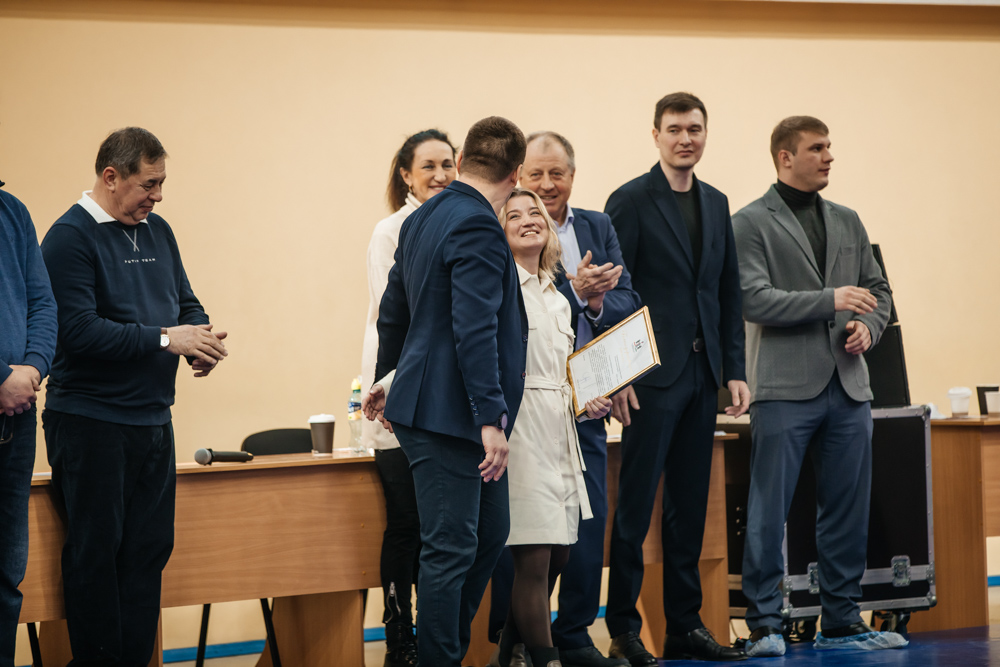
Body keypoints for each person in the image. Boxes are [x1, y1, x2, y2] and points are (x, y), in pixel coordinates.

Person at [40, 127, 229, 665]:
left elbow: (185, 303)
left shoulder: (158, 230)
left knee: (147, 554)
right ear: (111, 176)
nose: (158, 196)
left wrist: (199, 340)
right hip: (91, 422)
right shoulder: (69, 238)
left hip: (153, 421)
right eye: (149, 184)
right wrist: (168, 339)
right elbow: (78, 331)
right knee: (96, 558)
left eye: (162, 183)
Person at [732, 116, 902, 657]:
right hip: (782, 389)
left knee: (847, 509)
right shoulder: (748, 222)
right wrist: (831, 300)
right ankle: (764, 625)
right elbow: (753, 299)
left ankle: (843, 620)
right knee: (769, 511)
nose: (829, 156)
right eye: (817, 148)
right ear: (785, 157)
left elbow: (879, 291)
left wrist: (868, 326)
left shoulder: (848, 220)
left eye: (829, 147)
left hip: (849, 387)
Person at [367, 116, 528, 667]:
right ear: (516, 173)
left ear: (461, 162)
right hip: (451, 415)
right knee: (451, 547)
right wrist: (489, 417)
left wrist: (387, 378)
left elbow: (394, 313)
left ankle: (447, 649)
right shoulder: (478, 224)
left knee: (490, 534)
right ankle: (440, 659)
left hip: (441, 407)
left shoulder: (422, 216)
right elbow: (473, 327)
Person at [604, 92, 749, 664]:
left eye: (694, 129)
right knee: (636, 508)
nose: (685, 138)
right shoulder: (630, 200)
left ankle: (684, 625)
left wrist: (734, 371)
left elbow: (727, 292)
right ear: (656, 135)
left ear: (705, 134)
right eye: (674, 129)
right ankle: (623, 628)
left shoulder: (716, 202)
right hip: (650, 379)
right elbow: (616, 293)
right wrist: (619, 373)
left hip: (700, 375)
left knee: (688, 508)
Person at [490, 131, 640, 667]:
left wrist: (590, 391)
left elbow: (621, 304)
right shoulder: (502, 285)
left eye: (557, 176)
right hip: (523, 426)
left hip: (572, 418)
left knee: (567, 545)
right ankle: (544, 655)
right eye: (533, 180)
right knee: (532, 551)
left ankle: (521, 649)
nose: (544, 192)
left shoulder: (560, 292)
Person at [361, 128, 457, 667]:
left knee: (438, 525)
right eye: (428, 167)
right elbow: (397, 311)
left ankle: (438, 633)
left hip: (441, 397)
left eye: (448, 164)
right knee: (406, 522)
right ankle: (400, 635)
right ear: (405, 175)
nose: (440, 175)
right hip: (397, 387)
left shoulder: (462, 221)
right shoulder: (390, 231)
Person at [0, 178, 58, 666]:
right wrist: (1, 377)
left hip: (14, 421)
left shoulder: (12, 211)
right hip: (8, 394)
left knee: (6, 574)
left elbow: (43, 302)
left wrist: (33, 369)